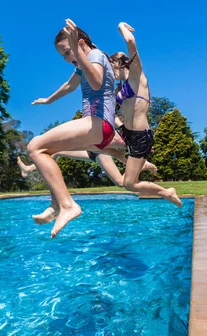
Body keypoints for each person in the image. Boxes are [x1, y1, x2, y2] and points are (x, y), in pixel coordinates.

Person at [27, 19, 117, 238]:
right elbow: (70, 85)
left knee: (35, 146)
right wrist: (48, 100)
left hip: (99, 124)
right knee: (48, 152)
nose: (68, 59)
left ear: (81, 42)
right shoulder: (82, 64)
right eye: (64, 56)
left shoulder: (95, 56)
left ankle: (67, 205)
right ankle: (57, 202)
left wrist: (78, 50)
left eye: (68, 52)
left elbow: (96, 83)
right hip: (97, 130)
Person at [110, 22, 181, 207]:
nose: (110, 72)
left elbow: (130, 40)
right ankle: (146, 164)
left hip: (141, 136)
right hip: (127, 134)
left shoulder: (136, 75)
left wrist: (120, 27)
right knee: (95, 146)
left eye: (111, 67)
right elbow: (114, 113)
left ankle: (167, 192)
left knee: (129, 184)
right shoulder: (121, 88)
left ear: (119, 62)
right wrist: (119, 125)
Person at [17, 152, 157, 224]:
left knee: (121, 182)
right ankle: (29, 169)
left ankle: (141, 166)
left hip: (100, 151)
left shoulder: (108, 114)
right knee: (54, 151)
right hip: (91, 149)